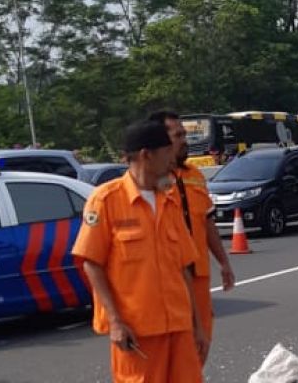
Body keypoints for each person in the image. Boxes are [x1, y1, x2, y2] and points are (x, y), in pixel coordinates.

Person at [73, 120, 207, 383]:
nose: (173, 156)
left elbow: (182, 268)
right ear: (147, 155)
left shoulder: (168, 201)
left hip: (178, 328)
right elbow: (92, 263)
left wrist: (197, 325)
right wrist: (115, 321)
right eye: (167, 151)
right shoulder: (106, 201)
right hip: (138, 332)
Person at [149, 110, 237, 356]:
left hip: (198, 276)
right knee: (174, 351)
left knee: (201, 344)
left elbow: (206, 222)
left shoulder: (196, 176)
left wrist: (223, 261)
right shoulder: (150, 181)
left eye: (184, 134)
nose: (185, 140)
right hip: (168, 280)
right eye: (178, 135)